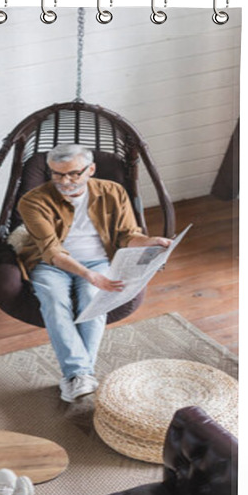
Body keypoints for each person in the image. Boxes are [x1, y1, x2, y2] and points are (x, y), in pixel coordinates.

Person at [17, 144, 171, 403]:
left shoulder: (113, 192)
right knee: (54, 301)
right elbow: (52, 250)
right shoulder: (32, 201)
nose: (64, 181)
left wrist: (149, 241)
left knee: (93, 298)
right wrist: (88, 275)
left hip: (100, 259)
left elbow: (126, 235)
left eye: (73, 174)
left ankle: (78, 376)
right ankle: (81, 373)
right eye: (56, 174)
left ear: (91, 169)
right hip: (51, 263)